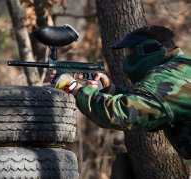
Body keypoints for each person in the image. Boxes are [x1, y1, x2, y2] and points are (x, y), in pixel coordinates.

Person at [49, 25, 191, 159]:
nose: (127, 59)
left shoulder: (167, 77)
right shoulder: (183, 67)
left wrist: (72, 87)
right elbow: (150, 110)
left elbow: (123, 114)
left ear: (149, 50)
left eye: (132, 54)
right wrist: (110, 90)